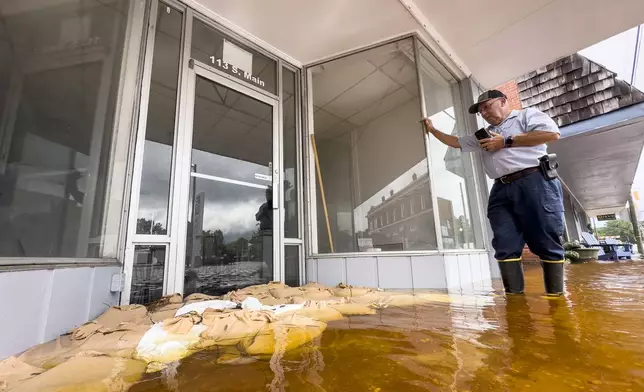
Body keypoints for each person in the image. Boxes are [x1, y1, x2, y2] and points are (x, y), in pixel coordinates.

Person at [423, 89, 565, 296]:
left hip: (534, 181)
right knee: (504, 241)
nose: (484, 113)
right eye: (480, 111)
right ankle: (514, 302)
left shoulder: (526, 116)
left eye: (486, 107)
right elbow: (456, 142)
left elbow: (552, 134)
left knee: (545, 235)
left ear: (503, 101)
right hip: (500, 188)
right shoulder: (485, 135)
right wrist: (432, 129)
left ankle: (556, 300)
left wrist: (505, 141)